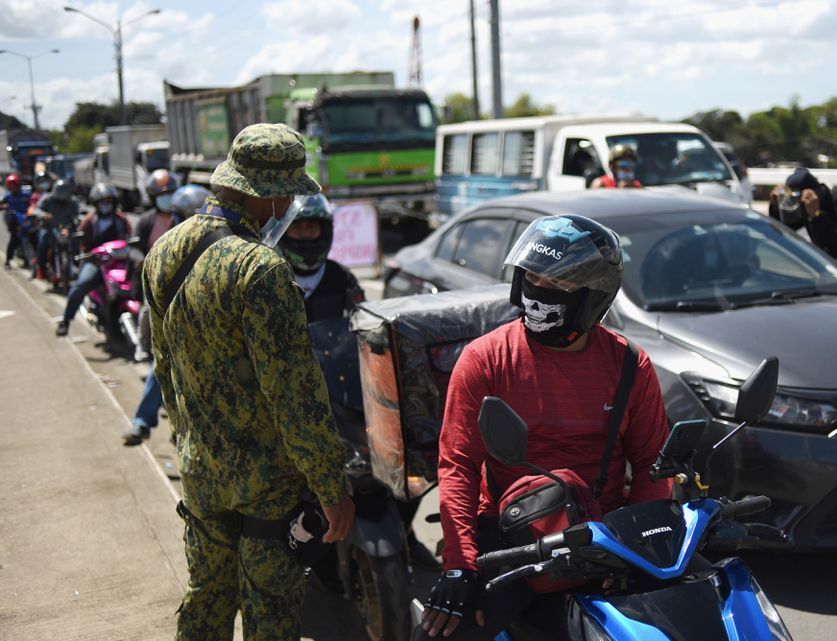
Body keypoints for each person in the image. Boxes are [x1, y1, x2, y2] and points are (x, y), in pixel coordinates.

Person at [142, 123, 354, 641]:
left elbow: (164, 369)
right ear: (273, 195)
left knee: (206, 601)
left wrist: (190, 446)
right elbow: (295, 394)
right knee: (271, 612)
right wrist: (331, 487)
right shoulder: (259, 268)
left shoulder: (164, 251)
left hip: (200, 475)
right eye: (288, 196)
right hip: (268, 490)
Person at [417, 215, 672, 640]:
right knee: (436, 634)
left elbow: (651, 462)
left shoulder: (629, 364)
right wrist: (460, 565)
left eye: (556, 286)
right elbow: (458, 465)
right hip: (510, 539)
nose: (538, 294)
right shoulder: (485, 359)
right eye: (531, 278)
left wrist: (639, 552)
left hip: (602, 538)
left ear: (593, 297)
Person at [276, 193, 441, 569]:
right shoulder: (273, 276)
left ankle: (404, 532)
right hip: (293, 397)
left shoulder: (340, 277)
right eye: (297, 227)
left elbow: (366, 326)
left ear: (326, 230)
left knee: (404, 461)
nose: (305, 235)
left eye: (311, 227)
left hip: (347, 387)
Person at [122, 183, 212, 446]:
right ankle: (142, 422)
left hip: (210, 321)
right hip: (175, 319)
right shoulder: (165, 245)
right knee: (161, 364)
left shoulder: (222, 241)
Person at [55, 183, 131, 337]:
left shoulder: (121, 219)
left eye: (109, 200)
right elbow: (80, 242)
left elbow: (131, 237)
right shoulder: (89, 220)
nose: (106, 204)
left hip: (119, 262)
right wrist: (89, 256)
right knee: (81, 286)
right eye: (102, 201)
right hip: (96, 262)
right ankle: (66, 321)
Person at [129, 169, 183, 361]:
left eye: (169, 194)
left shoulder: (182, 217)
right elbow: (134, 248)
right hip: (154, 276)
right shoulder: (145, 221)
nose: (166, 199)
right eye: (162, 195)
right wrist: (141, 260)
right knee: (148, 308)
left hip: (182, 272)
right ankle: (142, 343)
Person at [35, 179, 80, 282]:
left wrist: (78, 219)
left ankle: (77, 264)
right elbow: (37, 209)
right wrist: (44, 215)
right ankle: (41, 268)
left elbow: (78, 212)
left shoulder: (73, 201)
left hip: (66, 228)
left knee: (76, 242)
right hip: (50, 227)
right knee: (43, 244)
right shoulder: (47, 199)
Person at [2, 174, 31, 269]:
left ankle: (28, 260)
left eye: (14, 185)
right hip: (13, 221)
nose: (13, 188)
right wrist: (4, 207)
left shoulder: (26, 194)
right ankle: (8, 260)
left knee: (29, 239)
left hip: (25, 220)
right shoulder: (8, 196)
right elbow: (2, 204)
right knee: (13, 240)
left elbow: (33, 204)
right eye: (11, 186)